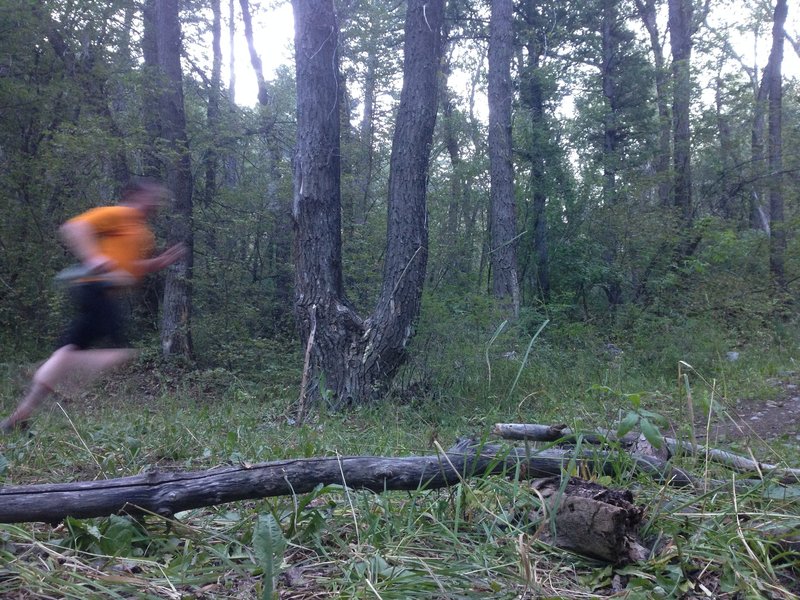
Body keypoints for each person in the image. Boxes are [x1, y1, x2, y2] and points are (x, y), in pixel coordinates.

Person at [0, 179, 186, 433]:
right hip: (97, 287)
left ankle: (22, 414)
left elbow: (131, 267)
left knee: (67, 350)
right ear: (133, 195)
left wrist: (159, 263)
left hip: (104, 294)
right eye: (151, 196)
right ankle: (62, 376)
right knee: (122, 354)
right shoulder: (119, 214)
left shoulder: (143, 233)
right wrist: (95, 258)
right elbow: (75, 227)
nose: (155, 202)